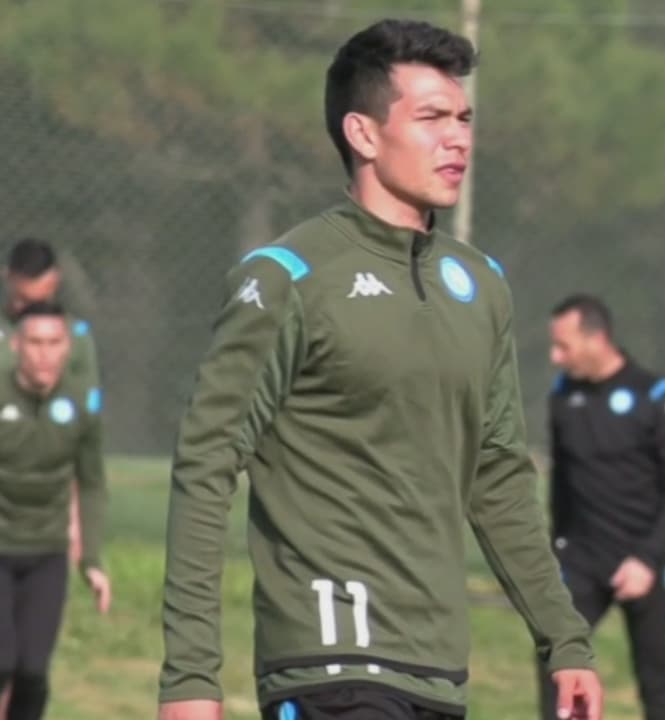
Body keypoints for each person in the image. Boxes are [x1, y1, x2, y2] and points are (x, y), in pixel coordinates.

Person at [156, 18, 601, 720]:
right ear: (363, 134)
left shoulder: (482, 285)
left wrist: (564, 640)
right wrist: (189, 680)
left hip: (437, 671)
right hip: (328, 661)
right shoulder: (288, 278)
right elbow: (206, 463)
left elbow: (497, 476)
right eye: (431, 118)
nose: (457, 138)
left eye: (463, 118)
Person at [540, 294, 665, 720]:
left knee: (655, 682)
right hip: (581, 560)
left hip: (642, 560)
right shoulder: (563, 395)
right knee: (558, 665)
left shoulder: (656, 396)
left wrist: (647, 558)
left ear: (597, 339)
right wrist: (556, 548)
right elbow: (562, 480)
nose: (556, 357)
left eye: (564, 346)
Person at [0, 301, 112, 720]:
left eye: (54, 342)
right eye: (35, 342)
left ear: (68, 346)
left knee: (32, 671)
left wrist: (92, 560)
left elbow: (93, 482)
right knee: (1, 661)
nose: (44, 353)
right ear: (16, 345)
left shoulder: (82, 402)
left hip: (46, 552)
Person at [1, 238, 102, 567]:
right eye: (21, 299)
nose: (27, 309)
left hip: (48, 479)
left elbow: (82, 424)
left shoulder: (74, 335)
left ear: (55, 281)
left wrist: (77, 523)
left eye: (37, 299)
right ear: (7, 278)